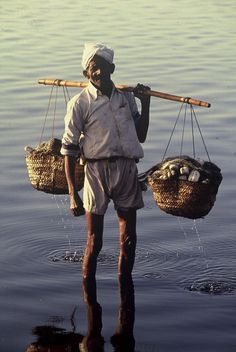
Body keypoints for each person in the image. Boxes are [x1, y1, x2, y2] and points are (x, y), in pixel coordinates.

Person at [61, 43, 151, 279]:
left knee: (129, 238)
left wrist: (146, 102)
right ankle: (89, 293)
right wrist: (72, 194)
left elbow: (141, 135)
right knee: (95, 240)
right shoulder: (80, 104)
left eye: (103, 67)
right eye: (94, 68)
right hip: (96, 172)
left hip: (127, 169)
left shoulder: (126, 98)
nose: (99, 72)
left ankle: (125, 287)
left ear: (112, 68)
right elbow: (68, 150)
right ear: (86, 73)